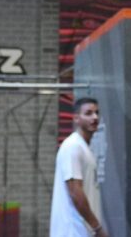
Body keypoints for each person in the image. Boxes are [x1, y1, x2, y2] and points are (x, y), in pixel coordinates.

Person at [50, 98, 106, 237]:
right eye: (88, 113)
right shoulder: (73, 147)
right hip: (72, 232)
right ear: (76, 118)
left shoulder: (83, 148)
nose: (95, 117)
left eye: (97, 113)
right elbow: (75, 191)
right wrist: (97, 228)